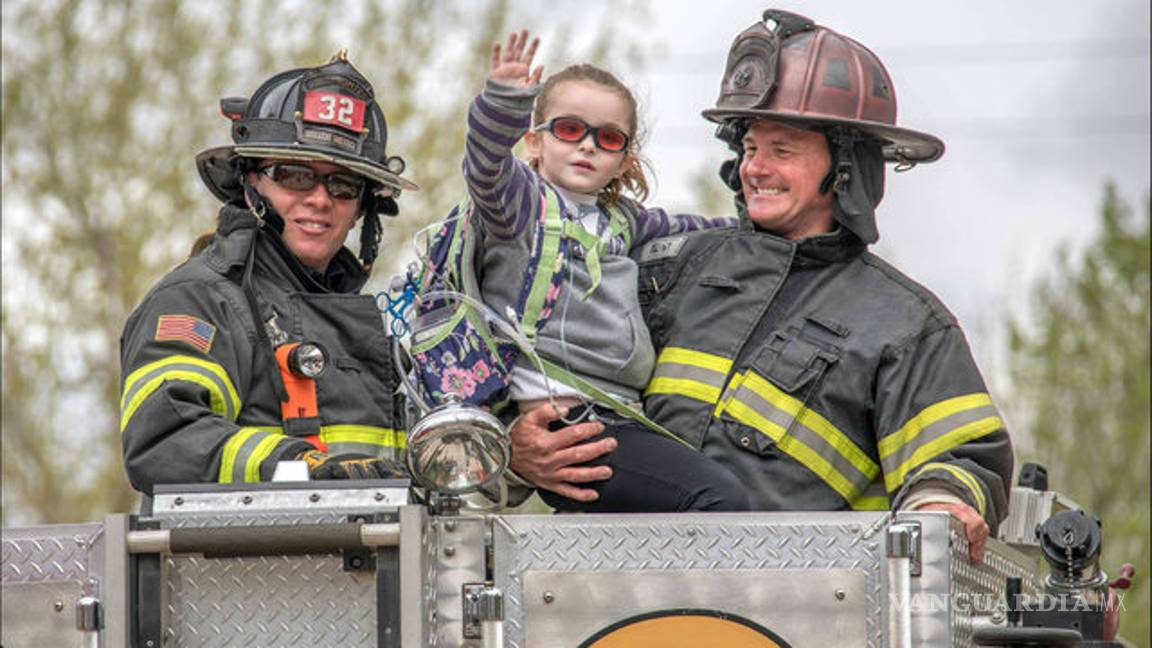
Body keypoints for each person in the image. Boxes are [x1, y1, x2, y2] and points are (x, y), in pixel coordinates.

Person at [509, 10, 1013, 563]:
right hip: (606, 595)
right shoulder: (665, 267)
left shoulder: (906, 323)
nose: (756, 168)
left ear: (844, 168)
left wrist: (940, 504)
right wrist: (518, 450)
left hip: (791, 614)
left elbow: (964, 456)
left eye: (783, 150)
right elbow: (532, 350)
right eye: (750, 148)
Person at [454, 30, 745, 512]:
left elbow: (700, 231)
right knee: (719, 499)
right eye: (569, 129)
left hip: (620, 416)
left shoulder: (623, 221)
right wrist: (501, 104)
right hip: (568, 424)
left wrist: (757, 219)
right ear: (535, 140)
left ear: (624, 159)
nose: (587, 146)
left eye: (607, 138)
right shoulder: (520, 208)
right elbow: (485, 167)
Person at [120, 53, 416, 493]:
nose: (320, 199)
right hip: (243, 561)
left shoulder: (383, 327)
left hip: (381, 558)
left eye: (343, 185)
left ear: (362, 210)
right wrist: (301, 467)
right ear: (252, 184)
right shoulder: (199, 300)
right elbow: (165, 441)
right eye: (295, 176)